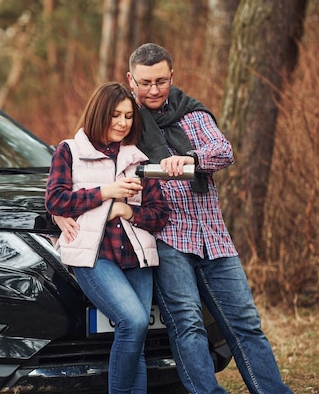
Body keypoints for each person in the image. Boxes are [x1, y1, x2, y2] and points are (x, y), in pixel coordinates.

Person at [54, 44, 293, 393]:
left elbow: (223, 151)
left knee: (245, 323)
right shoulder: (126, 121)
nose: (153, 90)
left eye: (161, 81)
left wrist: (190, 158)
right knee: (187, 325)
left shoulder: (192, 113)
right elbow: (83, 161)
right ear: (130, 79)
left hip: (213, 235)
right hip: (164, 238)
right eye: (145, 82)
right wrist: (59, 210)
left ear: (172, 77)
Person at [45, 82, 170, 394]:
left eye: (128, 116)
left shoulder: (138, 160)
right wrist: (105, 194)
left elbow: (160, 214)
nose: (122, 123)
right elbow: (56, 200)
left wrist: (128, 213)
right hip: (95, 258)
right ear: (100, 113)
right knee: (135, 322)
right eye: (116, 115)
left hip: (137, 258)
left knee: (136, 341)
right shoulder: (69, 151)